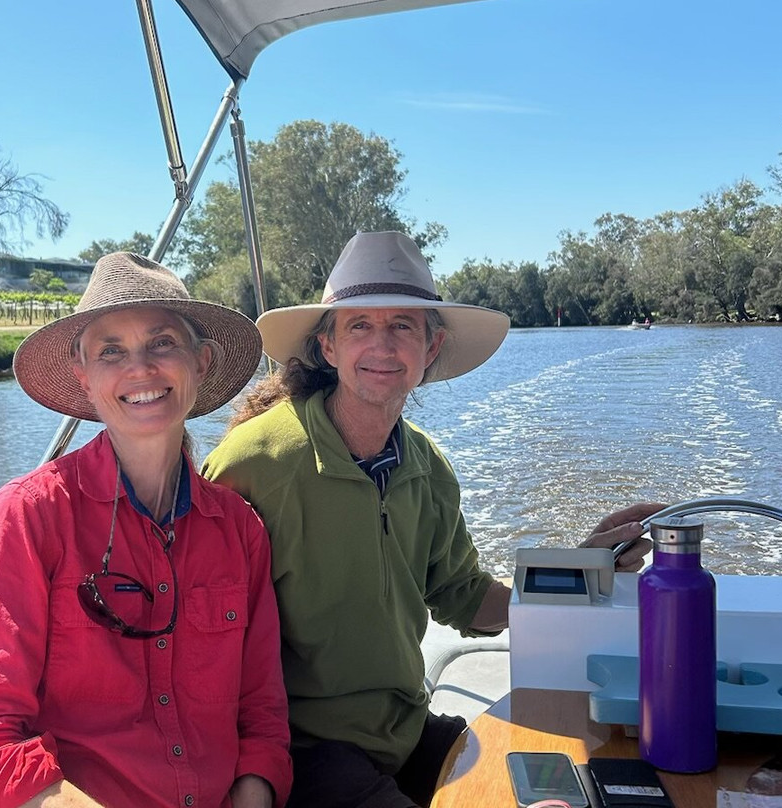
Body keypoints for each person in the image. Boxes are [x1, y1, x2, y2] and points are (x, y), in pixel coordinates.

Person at [202, 231, 661, 808]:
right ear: (328, 347)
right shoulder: (256, 462)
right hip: (304, 750)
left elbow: (462, 597)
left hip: (406, 730)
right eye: (359, 326)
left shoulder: (427, 466)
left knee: (579, 779)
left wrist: (582, 569)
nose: (383, 345)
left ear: (432, 344)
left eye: (403, 326)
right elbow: (201, 634)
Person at [0, 253, 292, 808]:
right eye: (111, 351)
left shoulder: (241, 532)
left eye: (162, 343)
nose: (140, 369)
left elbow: (261, 719)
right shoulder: (27, 518)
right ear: (84, 378)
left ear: (202, 360)